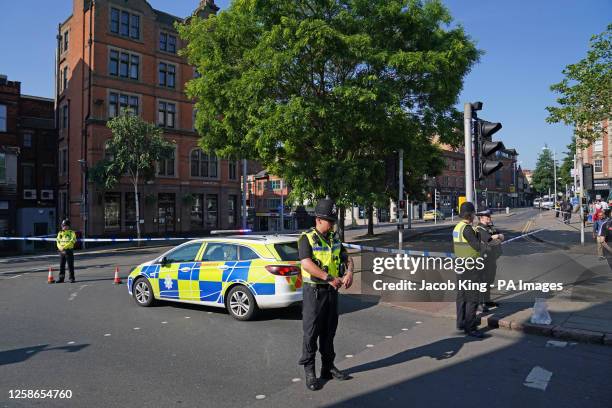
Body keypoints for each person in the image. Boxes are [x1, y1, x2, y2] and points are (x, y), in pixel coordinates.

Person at [298, 199, 354, 391]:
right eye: (329, 220)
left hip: (331, 292)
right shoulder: (307, 238)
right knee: (311, 332)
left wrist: (349, 273)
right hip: (314, 292)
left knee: (329, 332)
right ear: (319, 219)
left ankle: (328, 368)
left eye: (333, 220)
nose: (332, 224)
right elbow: (306, 263)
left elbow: (348, 259)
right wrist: (328, 277)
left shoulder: (334, 238)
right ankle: (310, 371)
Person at [452, 202, 485, 338]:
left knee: (462, 295)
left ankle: (461, 322)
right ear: (471, 215)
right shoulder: (467, 229)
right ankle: (470, 327)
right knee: (472, 297)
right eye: (474, 214)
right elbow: (477, 247)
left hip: (460, 264)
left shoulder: (458, 227)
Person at [475, 209, 504, 312]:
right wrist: (495, 238)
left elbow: (501, 236)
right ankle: (479, 303)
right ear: (481, 218)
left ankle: (487, 300)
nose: (489, 218)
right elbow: (490, 242)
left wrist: (497, 237)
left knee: (489, 280)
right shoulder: (479, 229)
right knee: (482, 281)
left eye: (489, 216)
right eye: (487, 217)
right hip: (483, 259)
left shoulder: (490, 228)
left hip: (492, 258)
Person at [56, 219, 77, 283]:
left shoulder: (72, 233)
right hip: (61, 251)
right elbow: (57, 241)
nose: (64, 227)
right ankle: (61, 279)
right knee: (61, 265)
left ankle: (71, 278)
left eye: (65, 226)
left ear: (68, 226)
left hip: (68, 251)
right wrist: (60, 247)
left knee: (70, 265)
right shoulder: (60, 233)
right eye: (63, 225)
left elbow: (72, 241)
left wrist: (64, 247)